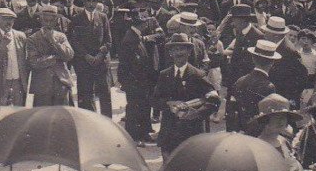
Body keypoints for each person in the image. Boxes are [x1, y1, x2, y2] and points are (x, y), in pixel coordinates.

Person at [153, 33, 220, 162]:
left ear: (189, 52)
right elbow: (154, 100)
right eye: (175, 49)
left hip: (192, 134)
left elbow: (214, 101)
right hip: (169, 134)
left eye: (182, 49)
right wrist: (168, 103)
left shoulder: (198, 75)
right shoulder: (164, 75)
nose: (179, 53)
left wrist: (196, 113)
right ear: (170, 53)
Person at [117, 9, 162, 145]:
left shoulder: (135, 36)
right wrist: (127, 82)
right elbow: (127, 63)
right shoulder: (130, 39)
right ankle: (134, 137)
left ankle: (143, 133)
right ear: (141, 25)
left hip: (141, 80)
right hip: (134, 80)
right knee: (134, 108)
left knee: (143, 106)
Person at [69, 0, 112, 117]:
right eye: (88, 1)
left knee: (105, 93)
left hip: (101, 61)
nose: (91, 4)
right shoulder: (76, 19)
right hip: (84, 62)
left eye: (94, 1)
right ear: (84, 2)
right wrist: (85, 55)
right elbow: (74, 41)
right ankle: (88, 121)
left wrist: (100, 55)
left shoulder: (103, 17)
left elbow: (108, 40)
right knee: (85, 94)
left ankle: (107, 121)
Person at [25, 5, 75, 106]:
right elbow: (33, 62)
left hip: (61, 82)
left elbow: (69, 55)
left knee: (62, 114)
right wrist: (55, 58)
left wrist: (54, 42)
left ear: (56, 21)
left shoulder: (61, 36)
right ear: (40, 20)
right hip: (42, 85)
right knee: (43, 114)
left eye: (51, 20)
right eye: (45, 20)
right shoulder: (32, 39)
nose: (48, 23)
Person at [227, 40, 279, 133]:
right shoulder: (269, 87)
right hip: (256, 134)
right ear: (272, 62)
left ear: (253, 59)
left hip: (238, 132)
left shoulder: (240, 81)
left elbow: (232, 110)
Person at [250, 93, 304, 171]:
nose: (281, 121)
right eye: (277, 117)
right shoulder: (259, 146)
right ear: (265, 120)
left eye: (284, 117)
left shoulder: (284, 141)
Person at [0, 8, 29, 106]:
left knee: (18, 111)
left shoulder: (21, 36)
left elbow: (26, 60)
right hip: (0, 84)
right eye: (5, 19)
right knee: (0, 112)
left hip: (18, 82)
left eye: (11, 19)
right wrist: (3, 45)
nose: (9, 22)